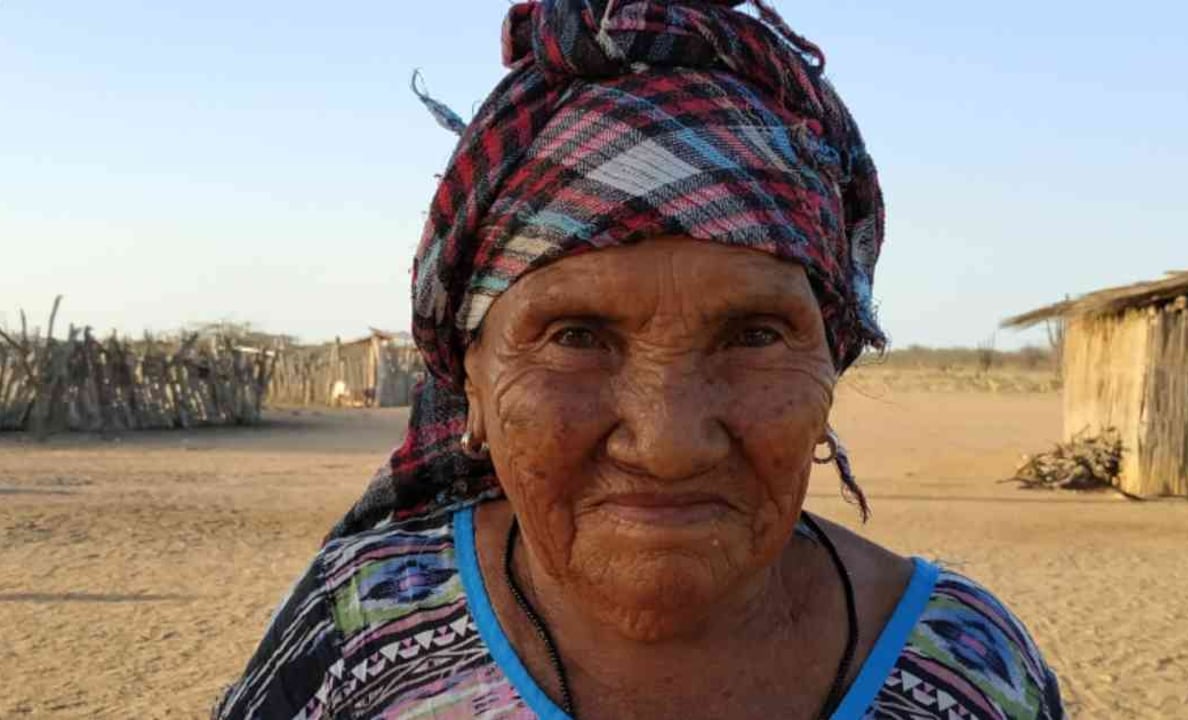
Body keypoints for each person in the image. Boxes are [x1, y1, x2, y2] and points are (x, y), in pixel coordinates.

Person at [215, 1, 1065, 717]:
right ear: (468, 379)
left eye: (754, 336)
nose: (668, 443)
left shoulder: (971, 670)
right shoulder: (356, 630)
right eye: (576, 337)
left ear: (829, 365)